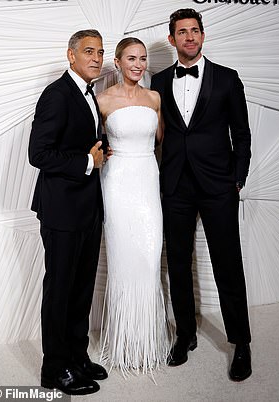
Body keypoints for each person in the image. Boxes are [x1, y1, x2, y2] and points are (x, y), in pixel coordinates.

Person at [151, 8, 252, 381]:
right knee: (178, 263)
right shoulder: (158, 81)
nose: (190, 37)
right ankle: (185, 336)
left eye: (195, 30)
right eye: (182, 32)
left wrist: (237, 179)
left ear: (203, 35)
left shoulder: (227, 79)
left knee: (228, 264)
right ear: (172, 38)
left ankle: (241, 343)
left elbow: (241, 134)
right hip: (175, 185)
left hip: (218, 186)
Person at [28, 29, 108, 395]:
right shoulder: (57, 94)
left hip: (88, 207)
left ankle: (77, 356)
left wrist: (101, 153)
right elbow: (39, 154)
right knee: (60, 290)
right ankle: (53, 369)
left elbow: (81, 140)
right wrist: (86, 162)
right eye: (88, 51)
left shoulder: (88, 94)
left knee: (81, 289)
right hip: (61, 210)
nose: (96, 58)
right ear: (71, 55)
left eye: (101, 52)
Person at [97, 37, 172, 375]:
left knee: (149, 253)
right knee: (123, 257)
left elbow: (167, 144)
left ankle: (149, 342)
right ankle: (125, 343)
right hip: (117, 185)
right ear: (117, 62)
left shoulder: (154, 97)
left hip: (147, 179)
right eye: (131, 58)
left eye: (143, 58)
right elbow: (91, 143)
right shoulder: (102, 100)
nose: (139, 64)